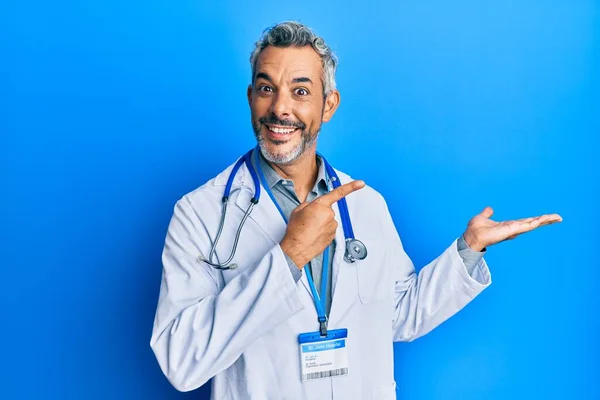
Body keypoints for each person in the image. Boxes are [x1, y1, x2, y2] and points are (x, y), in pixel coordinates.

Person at [150, 21, 562, 399]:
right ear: (250, 97)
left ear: (328, 105)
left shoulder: (365, 204)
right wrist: (287, 256)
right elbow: (180, 362)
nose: (280, 108)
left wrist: (468, 248)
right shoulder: (200, 213)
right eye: (266, 88)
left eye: (300, 91)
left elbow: (398, 315)